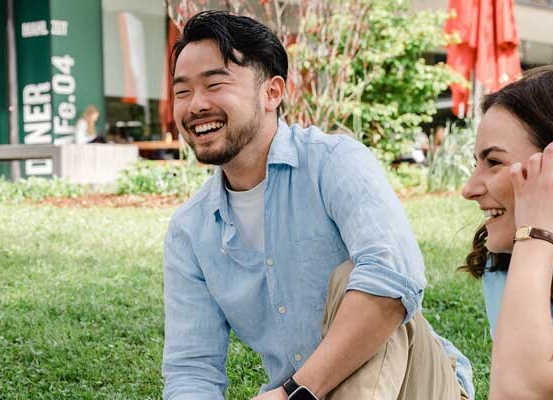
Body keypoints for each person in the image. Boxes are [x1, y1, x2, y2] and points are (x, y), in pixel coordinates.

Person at [161, 11, 472, 400]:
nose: (195, 106)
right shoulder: (190, 231)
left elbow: (394, 280)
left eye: (214, 84)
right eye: (183, 91)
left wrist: (294, 391)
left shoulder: (334, 162)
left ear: (272, 92)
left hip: (419, 385)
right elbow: (192, 369)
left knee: (358, 278)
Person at [460, 65, 553, 399]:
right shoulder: (506, 264)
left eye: (494, 162)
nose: (469, 189)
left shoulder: (528, 248)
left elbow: (519, 391)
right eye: (476, 163)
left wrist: (537, 234)